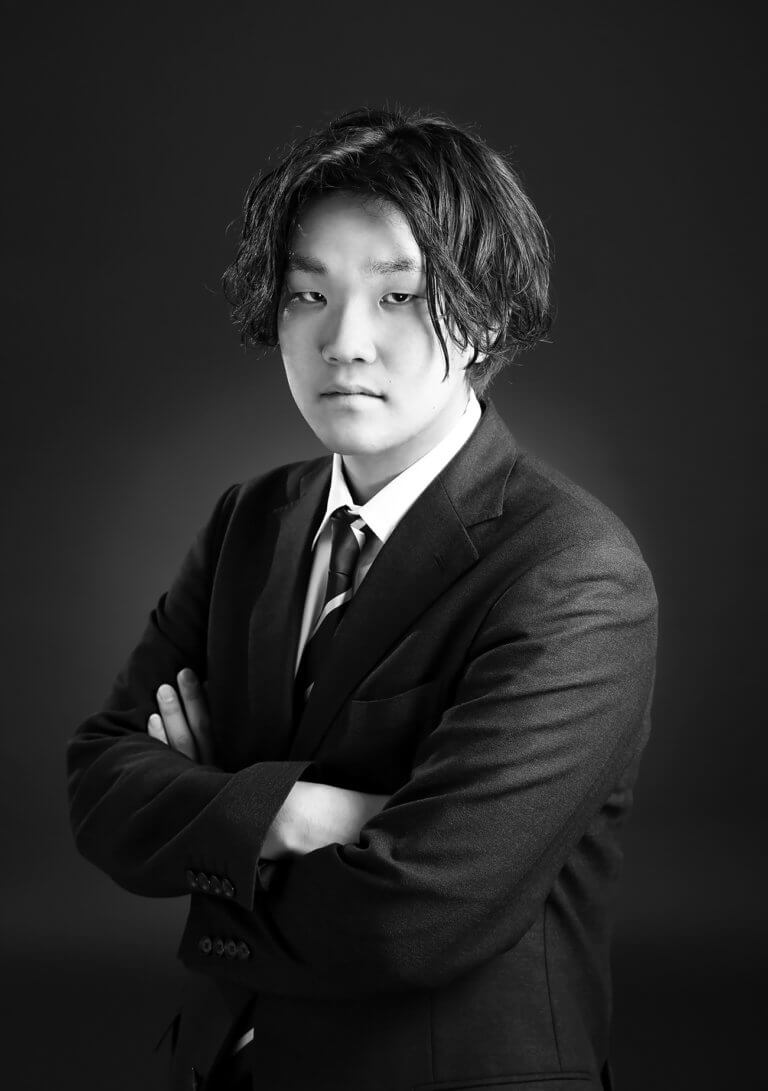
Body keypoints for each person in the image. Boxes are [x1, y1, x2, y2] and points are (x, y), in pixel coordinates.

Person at [66, 106, 658, 1091]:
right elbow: (98, 786)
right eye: (309, 293)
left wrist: (211, 819)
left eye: (399, 295)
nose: (344, 340)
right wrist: (298, 815)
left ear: (485, 317)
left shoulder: (574, 569)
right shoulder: (251, 520)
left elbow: (416, 915)